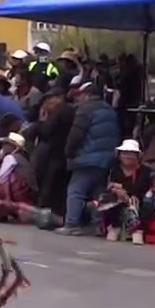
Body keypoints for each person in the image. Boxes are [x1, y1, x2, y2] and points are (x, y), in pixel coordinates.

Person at [58, 83, 122, 235]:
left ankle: (71, 223)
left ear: (86, 95)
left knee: (76, 191)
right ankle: (97, 225)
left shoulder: (85, 110)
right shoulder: (110, 110)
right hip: (106, 158)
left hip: (87, 157)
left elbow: (76, 135)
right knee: (98, 192)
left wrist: (69, 153)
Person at [97, 139, 153, 243]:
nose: (128, 156)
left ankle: (137, 230)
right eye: (125, 153)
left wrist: (122, 189)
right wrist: (118, 190)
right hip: (118, 197)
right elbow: (109, 185)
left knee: (139, 202)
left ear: (137, 156)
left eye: (131, 154)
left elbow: (139, 187)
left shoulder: (144, 171)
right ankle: (114, 227)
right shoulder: (114, 169)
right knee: (108, 197)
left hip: (137, 198)